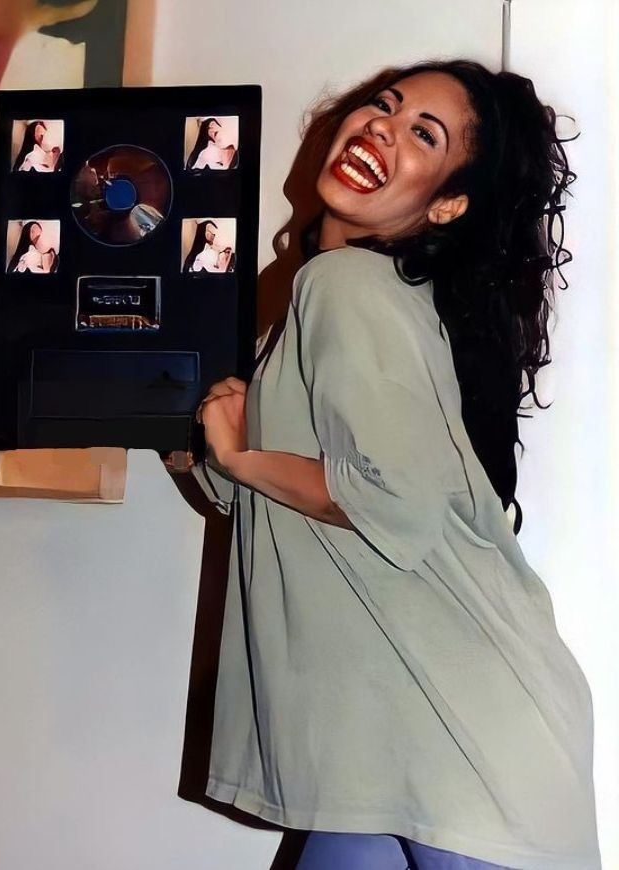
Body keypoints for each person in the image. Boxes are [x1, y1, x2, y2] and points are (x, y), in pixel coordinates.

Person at [192, 60, 601, 869]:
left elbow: (395, 503)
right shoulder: (341, 305)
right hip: (385, 747)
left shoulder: (345, 286)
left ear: (447, 203)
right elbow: (271, 499)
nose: (380, 125)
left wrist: (241, 458)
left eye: (423, 133)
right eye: (384, 106)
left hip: (462, 743)